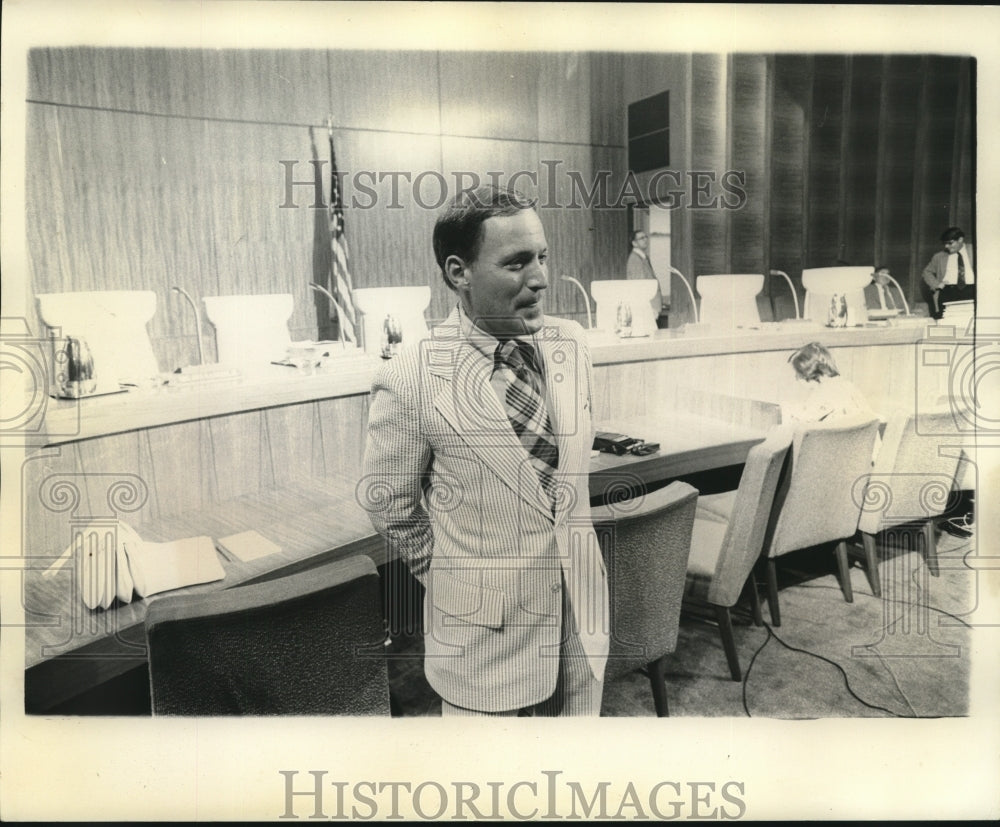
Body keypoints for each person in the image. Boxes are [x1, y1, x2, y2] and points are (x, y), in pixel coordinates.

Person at [360, 184, 609, 717]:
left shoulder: (571, 345)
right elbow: (390, 507)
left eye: (542, 257)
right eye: (517, 263)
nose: (540, 278)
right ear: (459, 273)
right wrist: (456, 581)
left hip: (580, 620)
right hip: (482, 645)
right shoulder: (410, 378)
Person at [782, 341, 877, 425]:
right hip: (859, 443)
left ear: (807, 375)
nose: (796, 379)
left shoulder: (820, 394)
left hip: (831, 443)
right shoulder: (849, 387)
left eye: (797, 374)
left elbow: (803, 425)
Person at [921, 226, 976, 320]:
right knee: (947, 321)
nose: (946, 246)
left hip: (971, 291)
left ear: (960, 239)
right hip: (948, 293)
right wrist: (937, 284)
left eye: (950, 243)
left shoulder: (975, 250)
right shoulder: (939, 256)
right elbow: (926, 272)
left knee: (970, 320)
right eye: (945, 244)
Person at [626, 229, 668, 328]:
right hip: (646, 308)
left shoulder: (642, 257)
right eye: (641, 238)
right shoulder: (635, 260)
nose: (645, 240)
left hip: (650, 307)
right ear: (634, 243)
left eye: (646, 237)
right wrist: (649, 307)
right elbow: (640, 287)